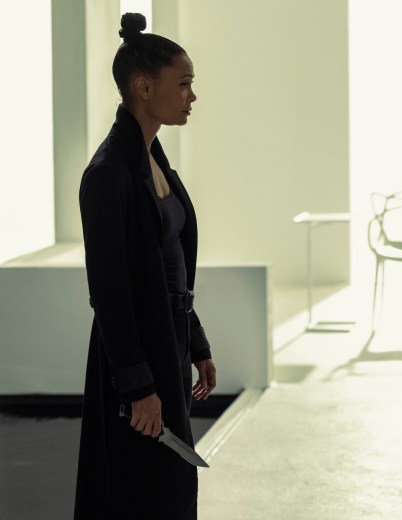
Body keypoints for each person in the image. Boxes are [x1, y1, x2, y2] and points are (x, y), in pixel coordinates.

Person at [74, 13, 216, 519]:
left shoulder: (154, 160)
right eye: (183, 84)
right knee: (143, 488)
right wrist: (138, 387)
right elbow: (110, 292)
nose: (192, 96)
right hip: (136, 355)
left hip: (168, 344)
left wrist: (196, 343)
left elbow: (171, 264)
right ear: (143, 86)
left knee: (170, 484)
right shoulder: (107, 174)